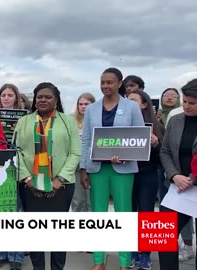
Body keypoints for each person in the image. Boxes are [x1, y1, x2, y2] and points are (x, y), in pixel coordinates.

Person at [80, 68, 144, 270]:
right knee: (98, 214)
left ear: (119, 83)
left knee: (123, 214)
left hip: (122, 170)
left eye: (109, 82)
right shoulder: (92, 109)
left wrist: (127, 156)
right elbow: (87, 140)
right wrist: (83, 168)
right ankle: (98, 261)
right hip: (97, 169)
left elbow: (139, 138)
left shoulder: (131, 107)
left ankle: (124, 262)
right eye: (102, 82)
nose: (105, 86)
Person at [14, 82, 81, 270]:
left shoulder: (67, 121)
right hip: (29, 185)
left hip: (61, 186)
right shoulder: (24, 121)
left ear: (56, 100)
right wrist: (27, 179)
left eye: (48, 97)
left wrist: (60, 179)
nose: (43, 100)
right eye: (39, 96)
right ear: (35, 99)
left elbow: (75, 152)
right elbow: (16, 151)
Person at [159, 78, 197, 270]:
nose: (186, 106)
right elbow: (165, 151)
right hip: (178, 188)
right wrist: (174, 175)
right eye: (184, 101)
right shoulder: (175, 120)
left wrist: (193, 177)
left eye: (192, 103)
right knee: (161, 234)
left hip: (193, 184)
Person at [127, 91, 164, 269]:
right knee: (129, 214)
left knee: (146, 215)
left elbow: (163, 156)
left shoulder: (154, 126)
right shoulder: (122, 124)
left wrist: (156, 144)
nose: (128, 103)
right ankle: (132, 252)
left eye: (133, 101)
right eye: (127, 100)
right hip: (126, 174)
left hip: (147, 175)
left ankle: (145, 255)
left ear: (144, 105)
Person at [0, 83, 25, 269]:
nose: (6, 98)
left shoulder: (25, 118)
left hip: (18, 167)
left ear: (16, 98)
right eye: (3, 95)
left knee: (16, 213)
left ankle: (15, 255)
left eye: (10, 95)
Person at [71, 92, 95, 213]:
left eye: (86, 104)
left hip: (92, 164)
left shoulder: (97, 120)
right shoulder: (71, 121)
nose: (83, 106)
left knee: (92, 201)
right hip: (76, 166)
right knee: (78, 200)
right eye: (80, 104)